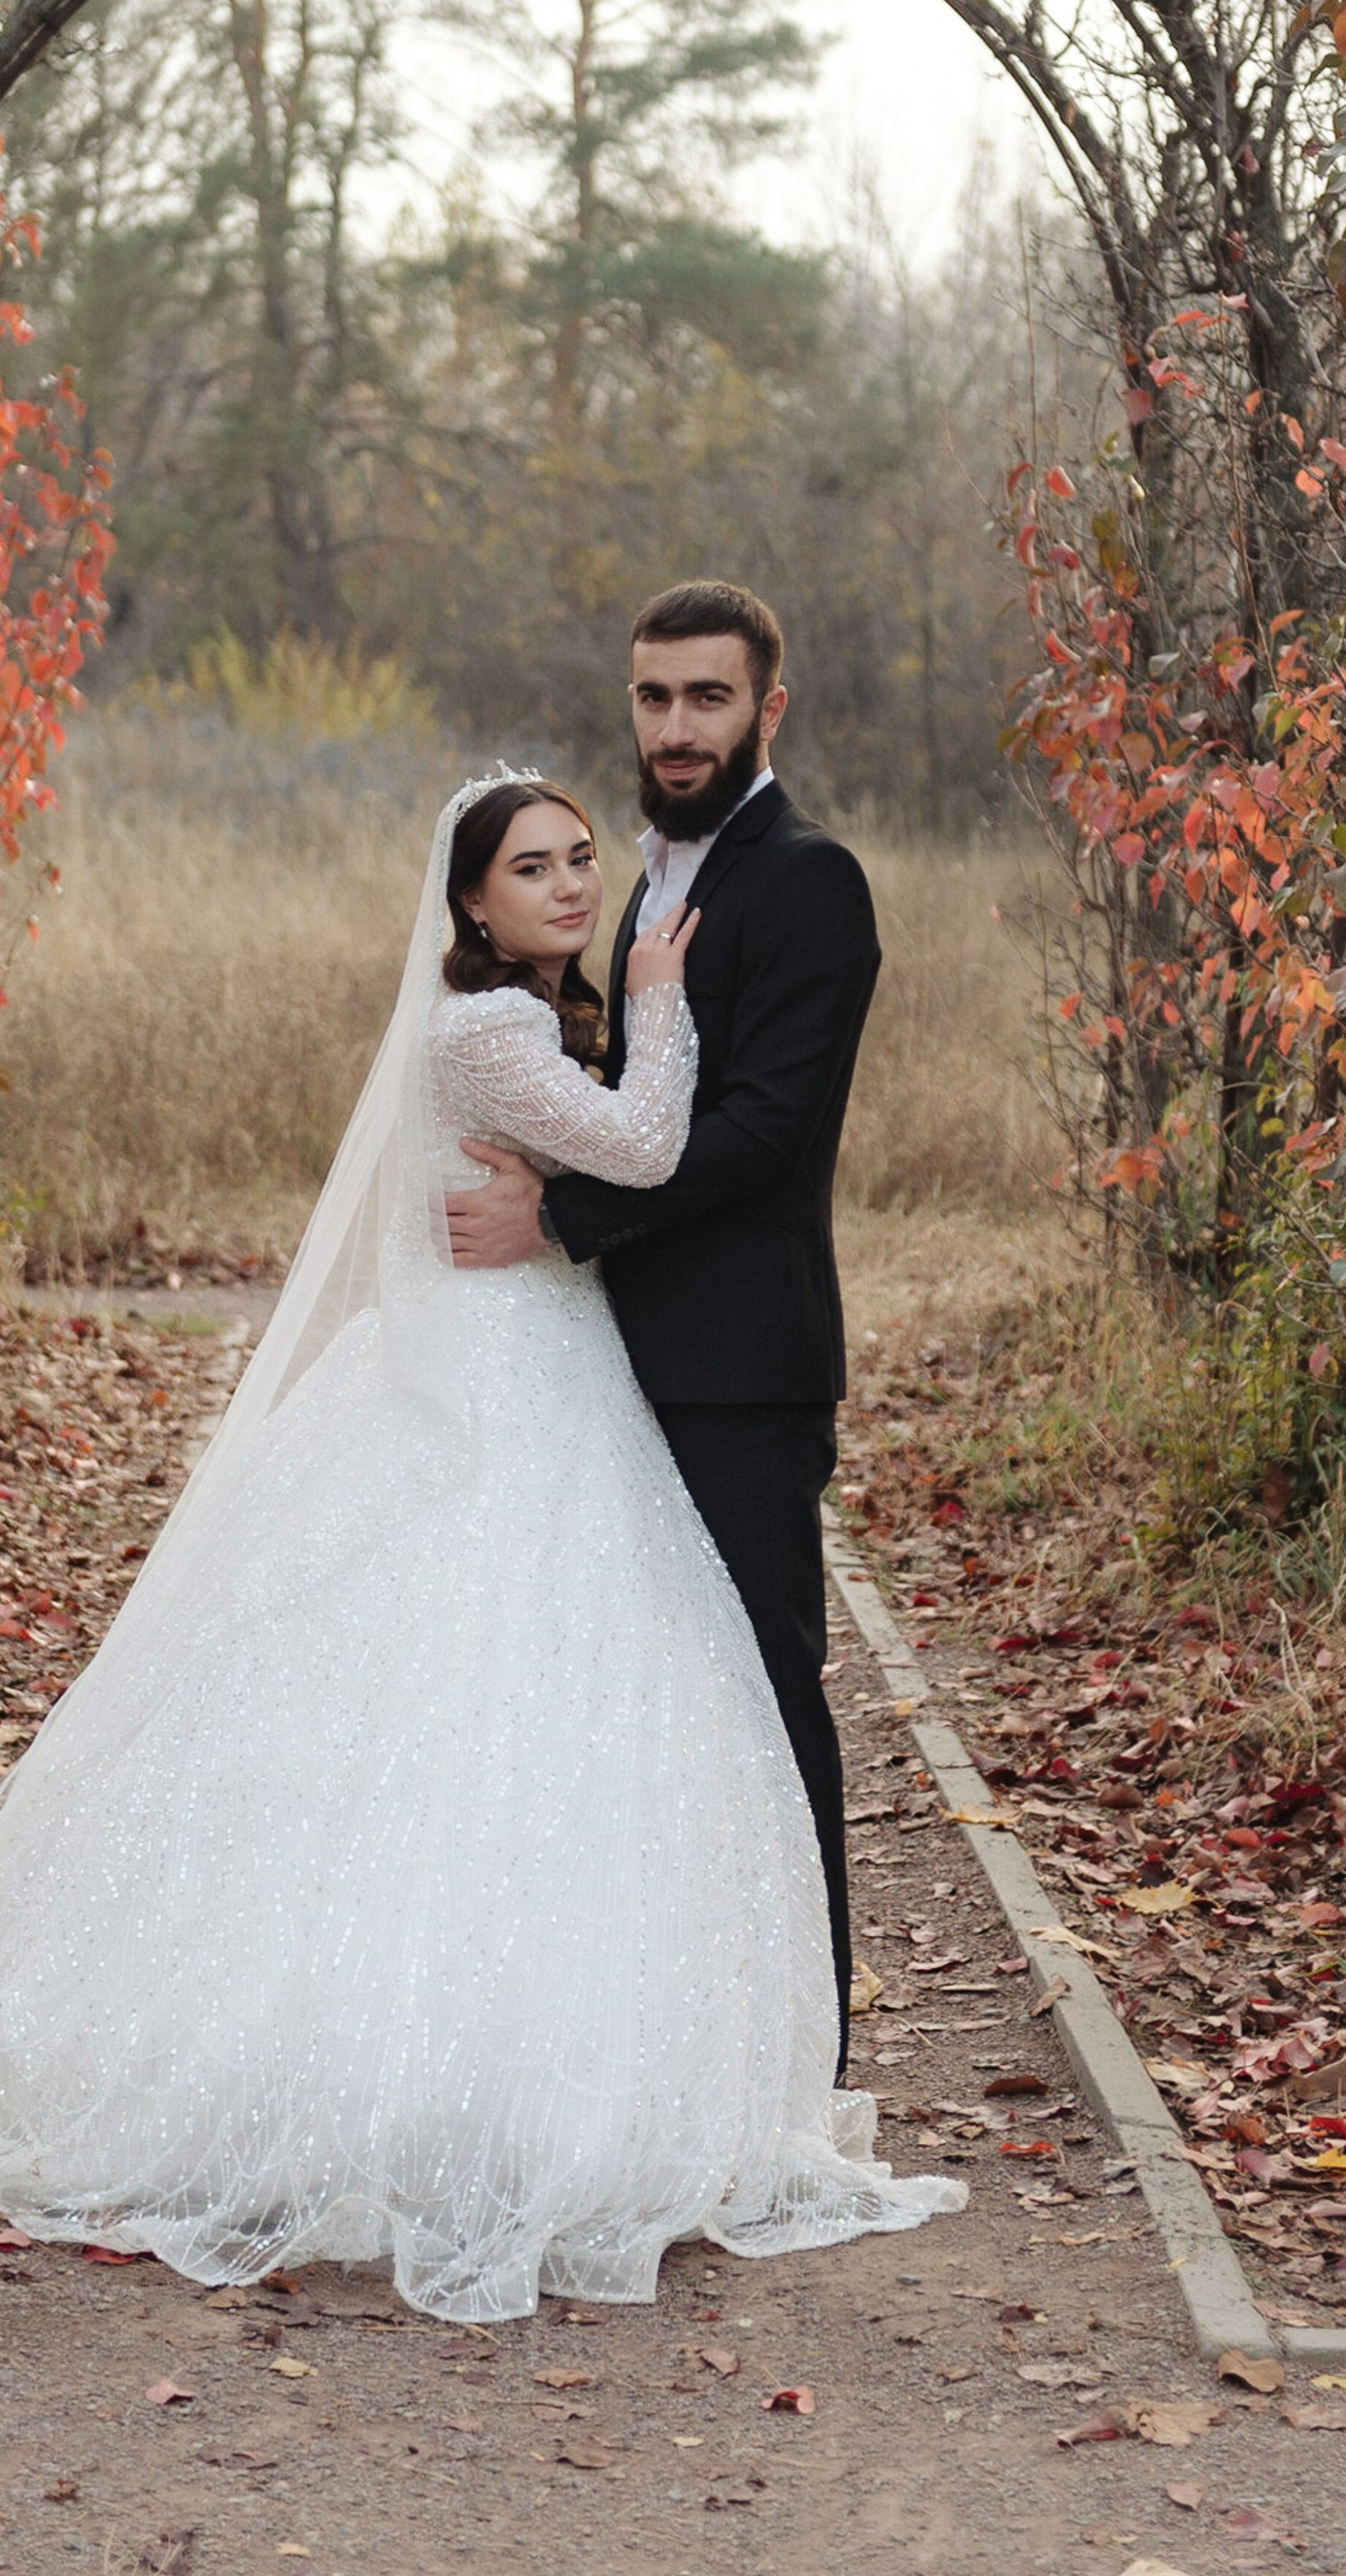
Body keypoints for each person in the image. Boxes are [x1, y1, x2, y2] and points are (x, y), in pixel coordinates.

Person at [0, 771, 958, 2324]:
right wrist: (663, 1000)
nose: (567, 887)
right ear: (468, 901)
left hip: (536, 1360)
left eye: (578, 860)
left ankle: (533, 2058)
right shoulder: (491, 1031)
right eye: (530, 868)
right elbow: (654, 1148)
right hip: (496, 1387)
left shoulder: (519, 1018)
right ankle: (392, 2072)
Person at [446, 581, 874, 2053]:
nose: (676, 727)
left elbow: (759, 1136)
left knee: (765, 1698)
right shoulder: (648, 882)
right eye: (653, 698)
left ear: (769, 707)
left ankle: (804, 2045)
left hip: (743, 1371)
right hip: (624, 1365)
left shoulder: (812, 882)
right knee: (648, 1712)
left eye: (707, 697)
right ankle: (681, 2034)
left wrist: (559, 1219)